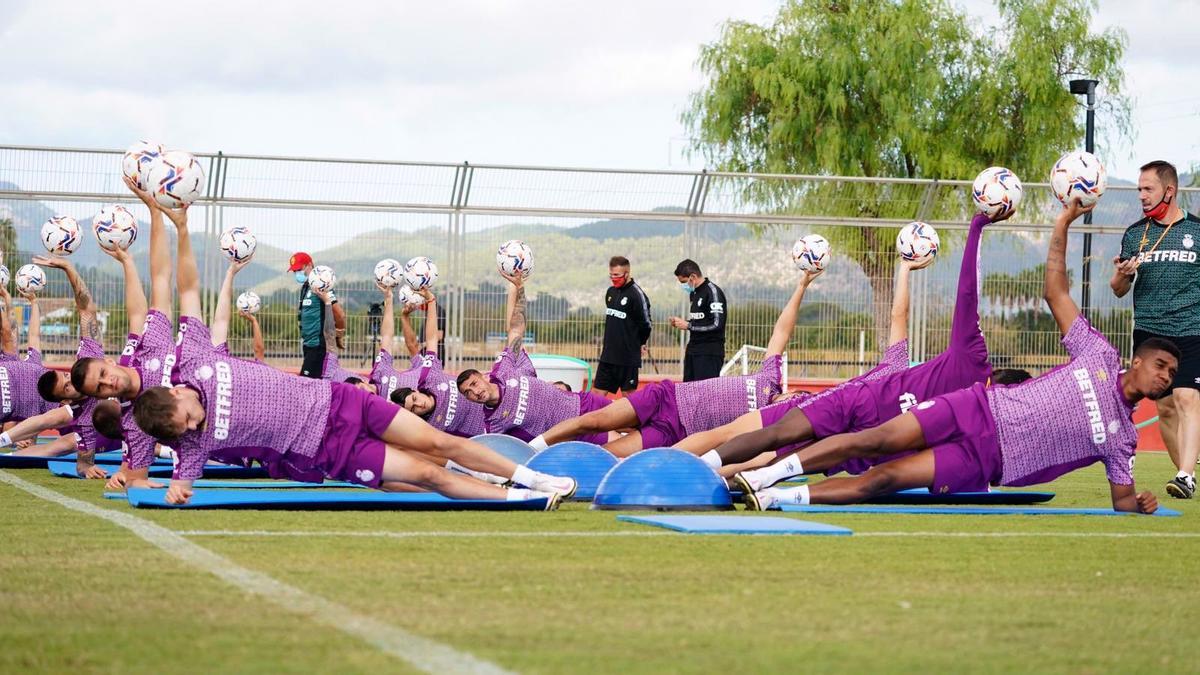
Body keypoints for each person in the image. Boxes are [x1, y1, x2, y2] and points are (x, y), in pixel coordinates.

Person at [745, 199, 1171, 513]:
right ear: (1136, 360)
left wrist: (1141, 503)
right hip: (976, 409)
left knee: (883, 480)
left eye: (1172, 373)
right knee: (875, 440)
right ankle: (767, 473)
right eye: (1161, 365)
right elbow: (1055, 292)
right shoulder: (1098, 353)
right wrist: (1063, 221)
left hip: (989, 460)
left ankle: (774, 498)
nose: (1166, 376)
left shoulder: (1123, 439)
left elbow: (1122, 501)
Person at [132, 221, 576, 507]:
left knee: (442, 445)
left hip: (343, 402)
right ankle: (514, 498)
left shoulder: (193, 361)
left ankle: (536, 480)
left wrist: (179, 223)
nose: (195, 426)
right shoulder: (188, 443)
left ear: (176, 393)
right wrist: (168, 487)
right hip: (329, 450)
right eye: (187, 430)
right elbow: (173, 481)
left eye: (189, 417)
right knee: (424, 473)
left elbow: (177, 285)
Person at [709, 209, 1019, 487]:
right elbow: (902, 316)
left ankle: (714, 474)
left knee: (780, 446)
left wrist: (905, 268)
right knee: (786, 449)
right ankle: (716, 473)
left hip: (866, 420)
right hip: (866, 423)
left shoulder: (960, 400)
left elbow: (901, 317)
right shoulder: (940, 377)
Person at [527, 268, 819, 457]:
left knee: (610, 456)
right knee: (592, 420)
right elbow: (781, 331)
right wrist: (802, 285)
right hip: (666, 397)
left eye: (793, 406)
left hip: (674, 432)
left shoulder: (765, 423)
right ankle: (532, 449)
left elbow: (747, 454)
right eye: (796, 397)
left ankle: (550, 470)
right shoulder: (769, 377)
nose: (790, 400)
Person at [69, 176, 178, 490]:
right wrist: (126, 474)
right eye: (101, 388)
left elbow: (155, 285)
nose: (108, 382)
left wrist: (154, 213)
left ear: (110, 362)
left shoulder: (141, 350)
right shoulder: (135, 419)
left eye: (103, 373)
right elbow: (137, 473)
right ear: (105, 399)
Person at [1111, 160, 1200, 499]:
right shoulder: (1136, 233)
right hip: (1149, 333)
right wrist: (1123, 274)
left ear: (1169, 190)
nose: (1142, 196)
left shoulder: (1197, 231)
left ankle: (1186, 475)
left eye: (1148, 189)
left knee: (1186, 396)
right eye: (1139, 190)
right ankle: (1186, 477)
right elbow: (1118, 288)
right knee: (1164, 407)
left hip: (1191, 330)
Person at [456, 271, 615, 444]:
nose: (475, 392)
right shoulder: (493, 424)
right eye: (468, 393)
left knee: (632, 418)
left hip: (581, 403)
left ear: (483, 376)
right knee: (628, 443)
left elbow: (515, 329)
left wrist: (519, 288)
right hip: (574, 431)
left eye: (474, 384)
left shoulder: (504, 369)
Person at [3, 256, 116, 478]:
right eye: (67, 388)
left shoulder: (88, 362)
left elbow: (86, 310)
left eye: (66, 377)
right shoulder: (84, 418)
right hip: (133, 426)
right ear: (65, 400)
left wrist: (69, 268)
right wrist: (87, 468)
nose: (71, 380)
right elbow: (83, 463)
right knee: (61, 441)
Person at [382, 285, 489, 439]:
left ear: (415, 391)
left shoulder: (429, 376)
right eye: (413, 409)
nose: (419, 405)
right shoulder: (427, 429)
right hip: (488, 435)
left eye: (414, 399)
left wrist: (431, 300)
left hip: (496, 403)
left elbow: (431, 339)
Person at [595, 256, 652, 395]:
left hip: (627, 358)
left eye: (617, 275)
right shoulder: (610, 292)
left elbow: (646, 324)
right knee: (595, 397)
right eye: (611, 275)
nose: (613, 278)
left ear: (627, 274)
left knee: (630, 399)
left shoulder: (637, 295)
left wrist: (641, 343)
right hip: (608, 356)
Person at [287, 251, 346, 378]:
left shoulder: (321, 286)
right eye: (294, 271)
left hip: (318, 347)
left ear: (309, 265)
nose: (297, 273)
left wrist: (338, 335)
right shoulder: (305, 287)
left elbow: (340, 315)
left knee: (305, 383)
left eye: (299, 269)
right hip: (308, 345)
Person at [669, 259, 725, 382]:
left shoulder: (713, 292)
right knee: (688, 391)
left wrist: (689, 325)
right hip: (693, 350)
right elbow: (699, 319)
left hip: (709, 352)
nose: (683, 286)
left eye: (684, 282)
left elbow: (717, 324)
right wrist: (681, 323)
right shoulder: (693, 293)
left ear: (693, 277)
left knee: (705, 394)